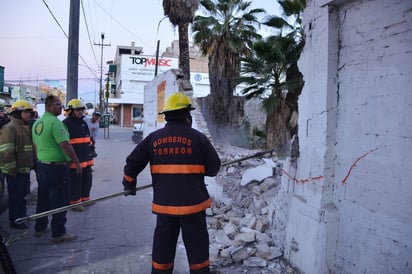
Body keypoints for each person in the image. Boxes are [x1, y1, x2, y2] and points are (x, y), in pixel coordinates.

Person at [122, 92, 221, 274]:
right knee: (197, 247)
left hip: (165, 207)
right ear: (187, 116)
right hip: (193, 207)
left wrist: (129, 184)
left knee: (163, 245)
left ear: (166, 116)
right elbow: (214, 169)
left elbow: (132, 163)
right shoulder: (199, 139)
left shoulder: (154, 139)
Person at [32, 95, 81, 243]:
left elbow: (36, 146)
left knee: (43, 198)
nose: (61, 107)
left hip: (43, 166)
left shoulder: (37, 123)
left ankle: (40, 228)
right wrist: (77, 163)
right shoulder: (55, 123)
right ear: (48, 106)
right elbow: (66, 145)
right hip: (57, 168)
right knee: (59, 199)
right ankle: (59, 233)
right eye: (58, 104)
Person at [0, 100, 35, 229]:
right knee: (15, 196)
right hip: (15, 171)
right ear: (17, 113)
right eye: (26, 112)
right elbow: (6, 150)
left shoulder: (24, 127)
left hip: (23, 169)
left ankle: (22, 217)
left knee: (22, 194)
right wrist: (11, 168)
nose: (29, 115)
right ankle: (15, 220)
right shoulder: (10, 128)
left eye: (30, 112)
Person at [63, 99, 94, 212]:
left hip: (86, 157)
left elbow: (87, 138)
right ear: (71, 111)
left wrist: (91, 150)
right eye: (77, 110)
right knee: (75, 181)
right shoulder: (66, 124)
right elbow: (65, 144)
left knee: (87, 179)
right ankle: (74, 202)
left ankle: (85, 199)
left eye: (81, 109)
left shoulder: (83, 122)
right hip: (75, 159)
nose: (80, 112)